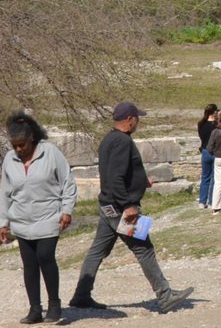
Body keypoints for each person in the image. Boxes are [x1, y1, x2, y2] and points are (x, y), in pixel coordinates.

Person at [68, 103, 194, 315]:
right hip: (119, 208)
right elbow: (116, 177)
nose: (138, 121)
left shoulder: (109, 139)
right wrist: (128, 205)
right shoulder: (122, 142)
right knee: (143, 248)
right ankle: (165, 295)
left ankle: (81, 295)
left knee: (97, 251)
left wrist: (139, 181)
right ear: (129, 119)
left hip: (108, 205)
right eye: (137, 117)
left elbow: (115, 172)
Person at [1, 112, 75, 325]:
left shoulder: (51, 153)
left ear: (32, 138)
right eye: (15, 145)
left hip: (48, 217)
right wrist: (2, 223)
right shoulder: (9, 159)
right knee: (29, 264)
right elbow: (5, 193)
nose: (18, 149)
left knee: (45, 256)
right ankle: (34, 308)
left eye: (22, 145)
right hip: (22, 221)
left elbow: (67, 183)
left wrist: (67, 210)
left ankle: (54, 304)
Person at [196, 104, 218, 210]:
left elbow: (201, 137)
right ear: (214, 112)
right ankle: (211, 201)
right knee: (214, 178)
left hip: (204, 151)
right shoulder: (216, 125)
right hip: (215, 152)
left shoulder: (201, 124)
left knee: (205, 178)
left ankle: (202, 201)